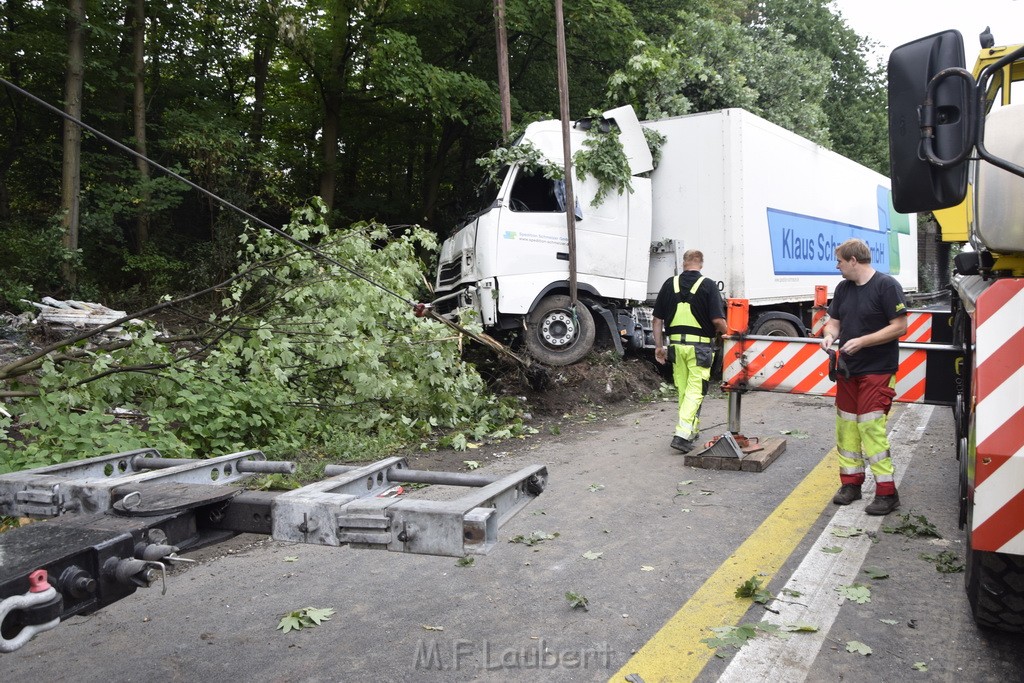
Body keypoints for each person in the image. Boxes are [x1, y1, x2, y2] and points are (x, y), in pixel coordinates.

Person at [819, 238, 908, 516]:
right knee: (846, 427)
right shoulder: (844, 289)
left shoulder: (887, 286)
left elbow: (900, 326)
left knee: (870, 427)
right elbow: (834, 322)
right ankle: (851, 484)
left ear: (853, 261)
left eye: (840, 262)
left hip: (877, 369)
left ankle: (886, 492)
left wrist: (862, 341)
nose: (838, 267)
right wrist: (829, 337)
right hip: (848, 369)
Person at [652, 249, 728, 453]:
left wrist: (659, 346)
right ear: (701, 264)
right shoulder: (708, 285)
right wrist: (729, 334)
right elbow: (718, 320)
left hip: (676, 346)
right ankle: (682, 435)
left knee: (684, 391)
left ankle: (691, 429)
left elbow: (657, 320)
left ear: (684, 263)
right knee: (696, 391)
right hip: (700, 348)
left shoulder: (669, 284)